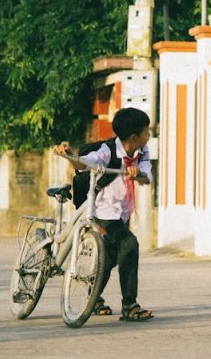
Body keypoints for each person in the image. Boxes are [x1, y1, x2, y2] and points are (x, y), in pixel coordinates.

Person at [56, 107, 155, 322]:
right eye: (147, 132)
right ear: (133, 136)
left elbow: (147, 177)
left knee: (109, 257)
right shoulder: (108, 150)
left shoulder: (142, 152)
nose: (149, 136)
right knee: (129, 244)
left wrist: (139, 174)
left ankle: (93, 297)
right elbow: (88, 162)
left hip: (122, 214)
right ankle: (129, 305)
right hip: (102, 212)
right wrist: (71, 155)